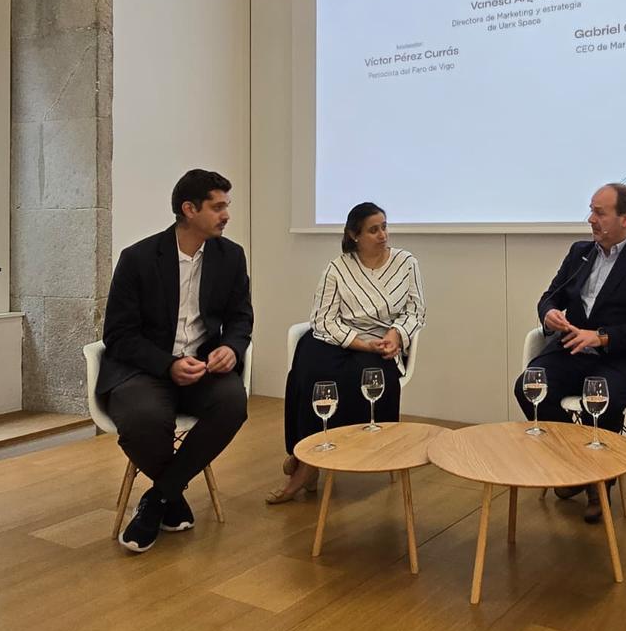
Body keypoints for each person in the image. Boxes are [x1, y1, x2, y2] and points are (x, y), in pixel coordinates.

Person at [100, 169, 253, 554]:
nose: (226, 215)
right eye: (218, 207)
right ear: (189, 209)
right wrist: (167, 365)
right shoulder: (137, 259)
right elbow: (118, 335)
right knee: (142, 418)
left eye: (226, 206)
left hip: (202, 368)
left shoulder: (231, 256)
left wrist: (231, 348)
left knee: (233, 402)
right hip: (146, 369)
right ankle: (172, 495)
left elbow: (240, 317)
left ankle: (158, 496)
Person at [513, 182, 626, 523]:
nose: (591, 219)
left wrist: (600, 337)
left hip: (619, 358)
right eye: (591, 210)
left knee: (599, 400)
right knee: (529, 387)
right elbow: (550, 296)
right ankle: (573, 465)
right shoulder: (580, 252)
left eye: (600, 213)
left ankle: (598, 483)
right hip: (571, 351)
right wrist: (549, 314)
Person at [268, 202, 426, 503]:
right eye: (373, 230)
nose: (382, 234)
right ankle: (305, 458)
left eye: (384, 227)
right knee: (312, 373)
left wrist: (395, 335)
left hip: (382, 342)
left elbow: (415, 311)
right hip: (337, 338)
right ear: (354, 235)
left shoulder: (407, 263)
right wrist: (358, 342)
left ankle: (322, 459)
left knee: (363, 378)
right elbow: (323, 319)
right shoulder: (337, 268)